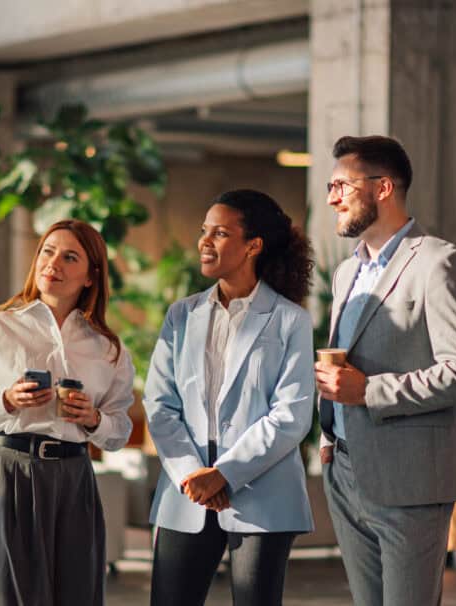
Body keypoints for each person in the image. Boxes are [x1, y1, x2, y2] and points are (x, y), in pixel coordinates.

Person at [315, 135, 456, 606]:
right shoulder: (347, 274)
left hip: (412, 478)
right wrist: (329, 439)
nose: (332, 197)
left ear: (383, 188)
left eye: (341, 186)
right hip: (347, 472)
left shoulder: (440, 263)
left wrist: (369, 391)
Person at [144, 189, 316, 606]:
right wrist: (192, 475)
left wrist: (225, 473)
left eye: (219, 233)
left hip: (265, 493)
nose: (204, 241)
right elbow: (159, 403)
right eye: (204, 231)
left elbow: (291, 415)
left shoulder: (290, 320)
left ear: (253, 245)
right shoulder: (181, 316)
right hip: (188, 492)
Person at [0, 219, 135, 606]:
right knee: (6, 595)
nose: (54, 263)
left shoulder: (108, 349)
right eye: (48, 252)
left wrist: (93, 419)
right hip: (8, 471)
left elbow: (118, 430)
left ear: (91, 276)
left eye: (70, 257)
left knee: (76, 594)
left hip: (74, 480)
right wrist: (7, 400)